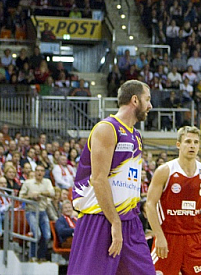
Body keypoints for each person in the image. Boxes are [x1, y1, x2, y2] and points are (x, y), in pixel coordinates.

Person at [67, 80, 155, 275]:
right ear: (134, 100)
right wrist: (115, 222)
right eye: (147, 99)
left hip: (130, 220)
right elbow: (98, 179)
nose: (150, 105)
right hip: (100, 218)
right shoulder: (107, 128)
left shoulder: (136, 136)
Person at [144, 126, 201, 275]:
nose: (192, 145)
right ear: (178, 144)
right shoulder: (165, 171)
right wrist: (158, 235)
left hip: (196, 237)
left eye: (196, 142)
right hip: (169, 237)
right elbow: (150, 204)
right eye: (188, 141)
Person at [19, 164, 54, 262]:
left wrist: (40, 194)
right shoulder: (28, 183)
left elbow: (52, 193)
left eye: (42, 171)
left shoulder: (47, 182)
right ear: (34, 172)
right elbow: (21, 197)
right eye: (37, 170)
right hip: (31, 211)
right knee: (36, 234)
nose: (39, 172)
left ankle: (41, 256)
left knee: (47, 235)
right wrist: (30, 196)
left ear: (44, 173)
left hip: (43, 210)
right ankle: (32, 256)